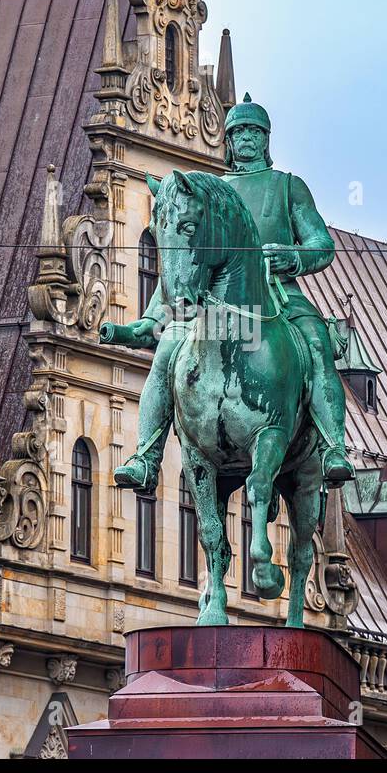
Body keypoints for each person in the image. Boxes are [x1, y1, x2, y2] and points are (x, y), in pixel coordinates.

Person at [103, 94, 352, 492]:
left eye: (254, 132)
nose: (247, 139)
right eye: (239, 132)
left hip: (281, 296)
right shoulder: (210, 190)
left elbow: (322, 245)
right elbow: (185, 253)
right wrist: (161, 314)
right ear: (230, 141)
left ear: (266, 139)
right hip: (216, 305)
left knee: (317, 344)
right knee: (166, 353)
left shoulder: (287, 186)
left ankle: (333, 447)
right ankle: (146, 455)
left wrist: (293, 255)